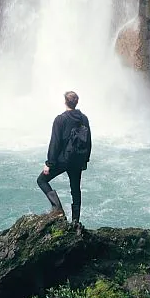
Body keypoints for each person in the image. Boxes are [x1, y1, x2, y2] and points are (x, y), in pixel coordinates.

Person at [37, 90, 91, 224]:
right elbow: (89, 141)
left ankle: (58, 209)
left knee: (42, 180)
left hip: (63, 160)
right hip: (77, 159)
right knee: (75, 189)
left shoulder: (60, 119)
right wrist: (85, 160)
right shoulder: (84, 118)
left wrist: (49, 163)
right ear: (76, 102)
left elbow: (55, 143)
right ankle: (75, 222)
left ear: (65, 102)